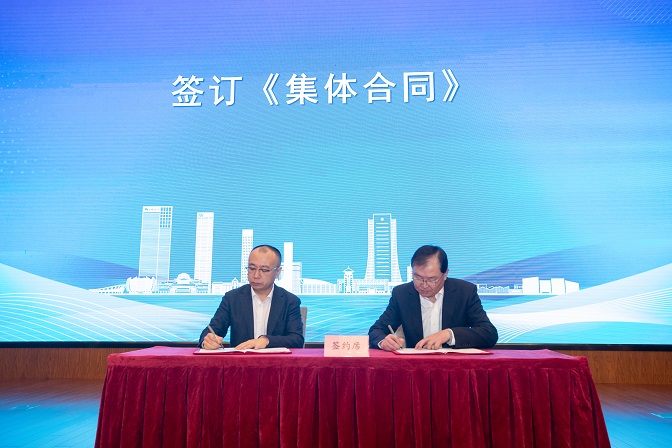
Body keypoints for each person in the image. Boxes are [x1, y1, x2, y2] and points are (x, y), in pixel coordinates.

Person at [369, 245, 497, 351]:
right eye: (418, 277)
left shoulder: (464, 292)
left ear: (445, 274)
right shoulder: (402, 294)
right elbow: (376, 330)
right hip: (416, 367)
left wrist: (448, 334)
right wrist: (384, 341)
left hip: (455, 367)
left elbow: (489, 333)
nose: (424, 285)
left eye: (432, 279)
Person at [199, 244, 304, 349]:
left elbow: (296, 339)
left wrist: (267, 340)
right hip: (241, 359)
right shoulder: (232, 298)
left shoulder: (290, 301)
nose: (256, 275)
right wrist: (207, 341)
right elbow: (211, 331)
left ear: (277, 272)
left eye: (264, 270)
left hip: (276, 359)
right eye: (252, 268)